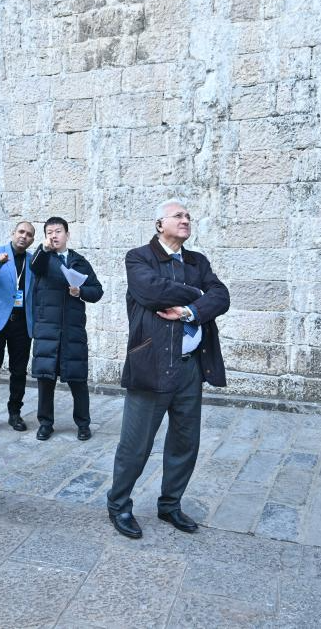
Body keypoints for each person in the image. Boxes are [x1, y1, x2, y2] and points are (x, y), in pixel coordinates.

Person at [106, 199, 230, 539]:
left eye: (188, 216)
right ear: (160, 225)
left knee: (185, 441)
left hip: (191, 368)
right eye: (178, 216)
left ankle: (170, 504)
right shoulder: (138, 257)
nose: (186, 219)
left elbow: (222, 296)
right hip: (152, 365)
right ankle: (119, 504)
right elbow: (151, 290)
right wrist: (199, 294)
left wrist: (190, 310)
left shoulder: (197, 261)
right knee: (136, 444)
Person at [29, 217, 103, 441]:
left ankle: (83, 424)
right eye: (49, 232)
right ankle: (45, 424)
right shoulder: (42, 258)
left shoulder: (79, 262)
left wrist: (81, 292)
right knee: (45, 379)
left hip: (73, 330)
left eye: (58, 231)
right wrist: (43, 249)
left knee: (78, 379)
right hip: (47, 329)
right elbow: (34, 266)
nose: (54, 235)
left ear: (67, 234)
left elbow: (97, 291)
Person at [0, 221, 36, 434]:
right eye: (21, 232)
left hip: (22, 323)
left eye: (29, 234)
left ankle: (15, 413)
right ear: (13, 233)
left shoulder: (32, 260)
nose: (24, 236)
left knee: (19, 371)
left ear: (32, 240)